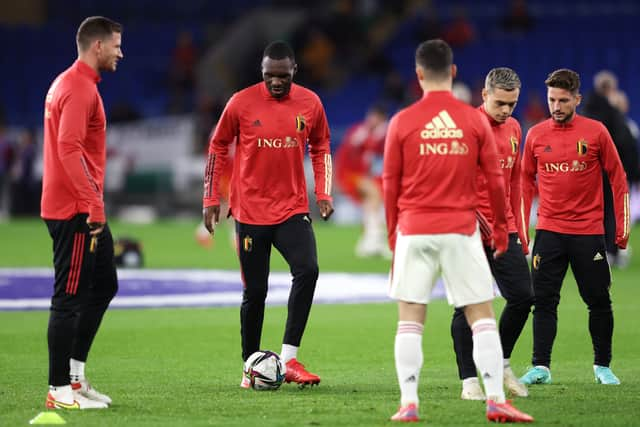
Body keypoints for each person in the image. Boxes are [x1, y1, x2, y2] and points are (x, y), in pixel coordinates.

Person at [383, 39, 533, 423]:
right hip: (461, 228)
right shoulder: (470, 121)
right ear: (452, 73)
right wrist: (501, 229)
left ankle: (409, 402)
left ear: (418, 76)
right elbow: (497, 185)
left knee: (410, 319)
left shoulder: (401, 121)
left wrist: (392, 237)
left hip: (414, 228)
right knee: (481, 314)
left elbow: (390, 184)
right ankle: (495, 398)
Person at [202, 40, 334, 388]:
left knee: (308, 270)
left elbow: (321, 147)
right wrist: (210, 197)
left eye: (282, 76)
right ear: (261, 73)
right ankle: (251, 364)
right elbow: (218, 145)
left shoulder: (310, 103)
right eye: (269, 76)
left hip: (292, 208)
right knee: (255, 292)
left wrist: (323, 192)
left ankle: (289, 359)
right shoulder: (241, 103)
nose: (276, 82)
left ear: (294, 71)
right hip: (250, 212)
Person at [520, 69, 630, 386]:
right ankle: (540, 366)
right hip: (549, 232)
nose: (556, 105)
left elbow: (618, 179)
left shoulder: (596, 132)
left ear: (577, 99)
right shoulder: (537, 134)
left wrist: (620, 230)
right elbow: (524, 182)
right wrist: (522, 227)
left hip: (588, 233)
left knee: (598, 300)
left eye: (563, 100)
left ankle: (602, 366)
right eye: (552, 99)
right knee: (542, 302)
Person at [41, 16, 123, 409]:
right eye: (116, 45)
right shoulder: (77, 89)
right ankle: (59, 390)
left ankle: (74, 378)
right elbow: (69, 149)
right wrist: (93, 206)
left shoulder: (72, 83)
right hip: (75, 209)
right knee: (69, 297)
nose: (120, 52)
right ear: (98, 47)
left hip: (80, 205)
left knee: (105, 282)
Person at [451, 67, 533, 401]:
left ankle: (499, 361)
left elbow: (514, 183)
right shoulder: (465, 127)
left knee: (523, 297)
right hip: (468, 233)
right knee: (466, 306)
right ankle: (469, 381)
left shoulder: (514, 128)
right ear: (483, 95)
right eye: (500, 103)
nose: (506, 111)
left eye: (512, 104)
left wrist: (520, 231)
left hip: (506, 229)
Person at [582, 71, 638, 267]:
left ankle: (589, 250)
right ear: (611, 89)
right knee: (613, 210)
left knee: (590, 211)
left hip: (587, 172)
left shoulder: (585, 109)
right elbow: (625, 144)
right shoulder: (613, 115)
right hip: (611, 171)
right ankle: (612, 250)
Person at [335, 104, 390, 258]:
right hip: (350, 174)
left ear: (381, 119)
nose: (371, 120)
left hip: (367, 176)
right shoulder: (360, 131)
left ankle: (369, 241)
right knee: (374, 194)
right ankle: (374, 238)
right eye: (370, 116)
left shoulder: (384, 134)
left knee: (372, 201)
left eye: (374, 117)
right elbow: (349, 153)